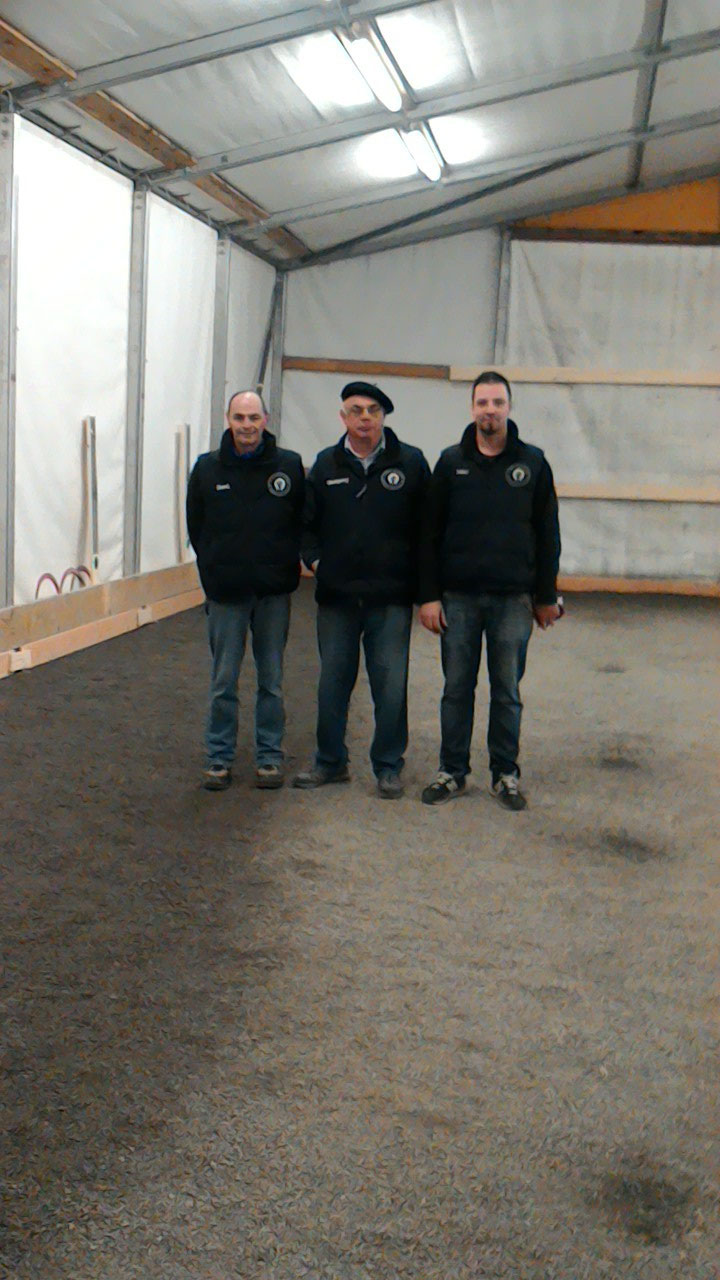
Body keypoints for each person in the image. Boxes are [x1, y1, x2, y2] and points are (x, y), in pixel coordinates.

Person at [418, 371, 561, 810]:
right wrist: (429, 595)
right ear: (472, 408)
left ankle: (505, 774)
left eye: (498, 402)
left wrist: (545, 596)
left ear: (509, 407)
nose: (490, 411)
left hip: (513, 600)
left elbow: (548, 534)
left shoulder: (533, 464)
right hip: (457, 599)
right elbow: (428, 534)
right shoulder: (449, 463)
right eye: (482, 403)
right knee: (456, 689)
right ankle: (452, 771)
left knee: (507, 692)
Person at [293, 381, 430, 799]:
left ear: (383, 417)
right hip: (337, 599)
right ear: (343, 417)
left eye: (373, 410)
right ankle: (330, 761)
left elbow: (427, 530)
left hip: (390, 599)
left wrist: (424, 590)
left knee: (390, 685)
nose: (365, 418)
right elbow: (306, 526)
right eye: (356, 410)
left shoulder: (411, 463)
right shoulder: (325, 464)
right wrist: (317, 564)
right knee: (332, 683)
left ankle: (388, 766)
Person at [186, 390, 304, 791]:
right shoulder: (207, 469)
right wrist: (215, 571)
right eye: (239, 418)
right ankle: (219, 757)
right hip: (226, 595)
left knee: (272, 681)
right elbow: (196, 527)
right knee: (223, 681)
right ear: (228, 419)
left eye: (254, 417)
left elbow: (300, 521)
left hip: (273, 594)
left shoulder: (289, 466)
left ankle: (269, 757)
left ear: (265, 420)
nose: (247, 425)